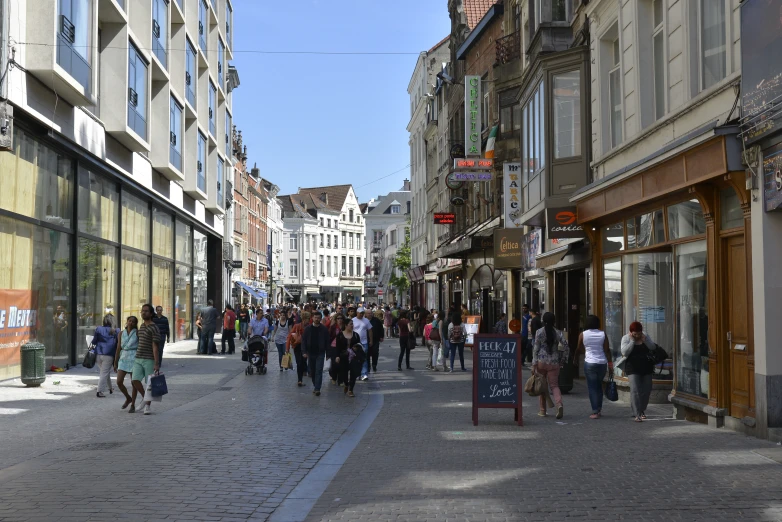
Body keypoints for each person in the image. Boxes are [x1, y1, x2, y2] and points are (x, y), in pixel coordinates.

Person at [574, 315, 613, 419]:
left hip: (590, 363)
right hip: (602, 363)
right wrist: (610, 365)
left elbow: (579, 348)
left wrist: (575, 358)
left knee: (592, 387)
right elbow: (607, 350)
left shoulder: (583, 334)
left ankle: (595, 411)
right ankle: (599, 408)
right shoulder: (603, 334)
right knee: (599, 386)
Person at [532, 312, 569, 419]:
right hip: (554, 362)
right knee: (554, 386)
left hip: (541, 362)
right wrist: (562, 360)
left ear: (543, 321)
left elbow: (535, 349)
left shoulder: (539, 332)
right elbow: (566, 347)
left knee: (542, 385)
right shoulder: (558, 333)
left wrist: (534, 364)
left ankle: (543, 410)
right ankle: (559, 404)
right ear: (554, 321)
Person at [621, 322, 657, 422]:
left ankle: (641, 410)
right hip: (632, 368)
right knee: (635, 390)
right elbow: (624, 352)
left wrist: (645, 341)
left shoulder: (645, 336)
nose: (637, 335)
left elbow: (653, 347)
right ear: (631, 332)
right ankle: (637, 414)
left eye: (639, 333)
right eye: (635, 333)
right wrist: (632, 341)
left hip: (646, 367)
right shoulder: (626, 338)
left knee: (647, 390)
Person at [131, 304, 161, 416]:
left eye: (146, 311)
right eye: (142, 311)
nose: (143, 313)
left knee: (149, 384)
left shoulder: (154, 327)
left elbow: (155, 347)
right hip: (138, 357)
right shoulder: (142, 326)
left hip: (149, 359)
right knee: (135, 380)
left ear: (151, 313)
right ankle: (145, 398)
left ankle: (147, 406)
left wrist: (156, 363)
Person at [114, 316, 139, 411]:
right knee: (119, 381)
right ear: (127, 321)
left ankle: (133, 404)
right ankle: (128, 397)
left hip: (134, 357)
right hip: (123, 357)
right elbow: (118, 348)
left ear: (135, 323)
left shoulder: (137, 333)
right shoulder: (121, 333)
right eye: (129, 321)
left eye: (133, 322)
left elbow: (140, 346)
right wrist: (115, 362)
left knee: (134, 382)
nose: (131, 323)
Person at [303, 311, 329, 396]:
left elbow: (327, 342)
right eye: (315, 317)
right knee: (312, 371)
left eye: (318, 318)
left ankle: (317, 388)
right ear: (312, 318)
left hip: (320, 353)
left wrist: (328, 354)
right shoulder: (308, 329)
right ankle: (315, 384)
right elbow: (303, 341)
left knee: (319, 370)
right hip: (310, 353)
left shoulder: (324, 329)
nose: (317, 319)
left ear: (321, 318)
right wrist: (304, 352)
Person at [92, 315, 117, 398]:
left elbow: (94, 341)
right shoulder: (116, 331)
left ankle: (110, 388)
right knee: (104, 373)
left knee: (105, 372)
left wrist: (91, 351)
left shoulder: (98, 329)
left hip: (98, 354)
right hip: (109, 355)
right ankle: (99, 391)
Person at [336, 319, 362, 397]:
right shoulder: (340, 335)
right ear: (346, 325)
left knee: (353, 374)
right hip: (343, 357)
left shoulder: (356, 335)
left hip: (354, 357)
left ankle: (351, 390)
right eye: (350, 324)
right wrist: (337, 356)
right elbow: (337, 347)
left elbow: (359, 346)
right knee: (344, 373)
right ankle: (346, 384)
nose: (352, 325)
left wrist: (356, 350)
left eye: (352, 324)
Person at [352, 307, 373, 381]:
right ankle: (357, 373)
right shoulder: (353, 320)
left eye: (362, 313)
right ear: (357, 313)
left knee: (364, 358)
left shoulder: (366, 321)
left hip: (364, 342)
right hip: (355, 342)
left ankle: (364, 374)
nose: (361, 314)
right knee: (355, 358)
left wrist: (371, 340)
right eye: (360, 313)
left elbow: (370, 330)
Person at [288, 312, 307, 384]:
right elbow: (290, 336)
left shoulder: (309, 327)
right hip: (297, 346)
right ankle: (300, 379)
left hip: (304, 347)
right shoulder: (297, 326)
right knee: (299, 363)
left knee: (302, 362)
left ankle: (301, 377)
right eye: (307, 319)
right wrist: (287, 348)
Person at [327, 315, 346, 384]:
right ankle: (334, 377)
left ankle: (340, 379)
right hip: (334, 346)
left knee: (342, 363)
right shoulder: (333, 327)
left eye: (341, 318)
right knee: (335, 363)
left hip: (343, 347)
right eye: (338, 318)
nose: (340, 320)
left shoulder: (345, 327)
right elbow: (329, 337)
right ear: (336, 319)